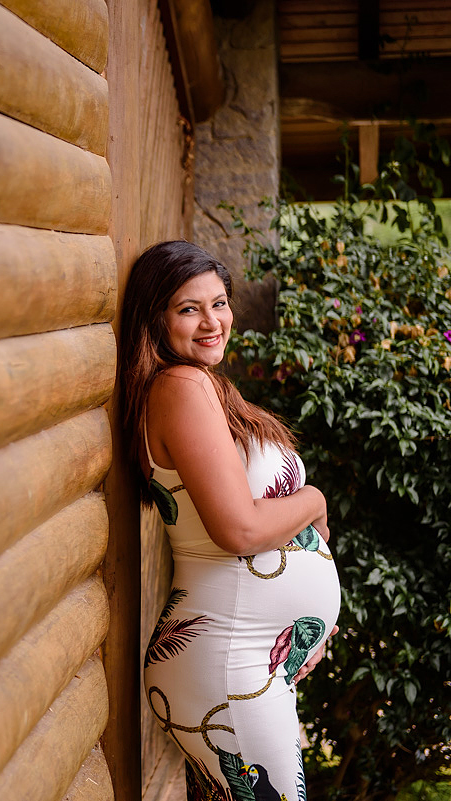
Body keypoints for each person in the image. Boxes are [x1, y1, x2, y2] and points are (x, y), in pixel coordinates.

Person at [118, 241, 341, 801]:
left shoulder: (202, 386)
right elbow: (238, 530)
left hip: (243, 657)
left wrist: (296, 632)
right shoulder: (180, 387)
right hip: (228, 657)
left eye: (219, 303)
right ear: (155, 319)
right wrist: (313, 501)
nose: (212, 322)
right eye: (188, 309)